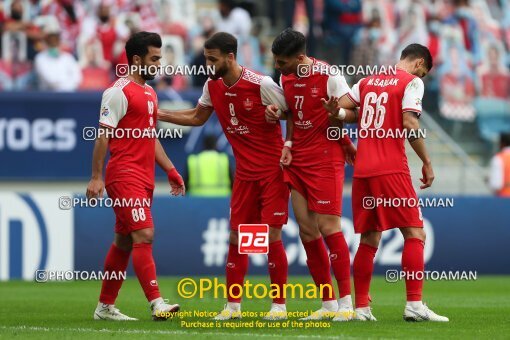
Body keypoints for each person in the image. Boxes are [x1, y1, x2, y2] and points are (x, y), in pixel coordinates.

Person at [157, 32, 290, 320]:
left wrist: (276, 115)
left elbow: (290, 112)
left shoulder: (262, 83)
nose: (207, 64)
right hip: (244, 174)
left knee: (271, 236)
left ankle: (279, 306)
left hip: (272, 171)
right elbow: (196, 117)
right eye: (206, 58)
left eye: (212, 59)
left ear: (230, 57)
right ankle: (233, 307)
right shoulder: (212, 84)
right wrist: (157, 112)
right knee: (238, 237)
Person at [323, 43, 449, 322]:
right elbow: (409, 124)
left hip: (363, 172)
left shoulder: (367, 81)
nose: (423, 76)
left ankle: (362, 309)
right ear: (419, 64)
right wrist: (427, 162)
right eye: (425, 71)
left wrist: (339, 114)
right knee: (415, 233)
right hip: (391, 169)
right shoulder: (412, 82)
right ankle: (415, 305)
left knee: (368, 239)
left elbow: (343, 109)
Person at [86, 31, 185, 321]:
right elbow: (102, 136)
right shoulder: (118, 91)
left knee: (124, 241)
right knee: (144, 234)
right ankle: (157, 303)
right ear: (137, 59)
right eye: (154, 59)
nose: (159, 64)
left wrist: (171, 169)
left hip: (145, 178)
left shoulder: (150, 93)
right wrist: (96, 177)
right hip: (124, 174)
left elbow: (150, 137)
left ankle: (104, 307)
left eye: (160, 58)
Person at [266, 28, 357, 321]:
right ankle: (328, 302)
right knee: (307, 230)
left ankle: (346, 303)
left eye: (282, 62)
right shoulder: (285, 77)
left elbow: (350, 109)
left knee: (330, 227)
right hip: (298, 158)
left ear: (300, 57)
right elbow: (292, 113)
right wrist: (288, 142)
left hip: (326, 158)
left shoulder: (329, 75)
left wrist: (337, 118)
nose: (278, 68)